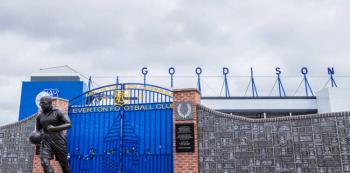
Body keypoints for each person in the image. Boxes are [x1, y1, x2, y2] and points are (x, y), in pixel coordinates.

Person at [36, 96, 72, 173]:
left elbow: (69, 124)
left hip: (59, 140)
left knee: (64, 164)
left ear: (50, 103)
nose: (41, 105)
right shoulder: (40, 116)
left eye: (44, 103)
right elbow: (38, 130)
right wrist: (37, 140)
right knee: (44, 163)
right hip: (46, 141)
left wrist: (54, 128)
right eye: (40, 103)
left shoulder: (59, 112)